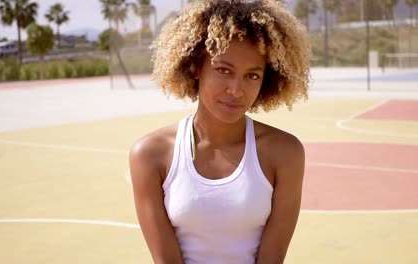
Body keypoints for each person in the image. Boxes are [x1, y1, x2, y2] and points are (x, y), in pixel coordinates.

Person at [129, 0, 310, 263]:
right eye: (224, 70)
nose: (237, 91)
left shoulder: (285, 153)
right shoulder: (149, 155)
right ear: (195, 68)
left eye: (252, 76)